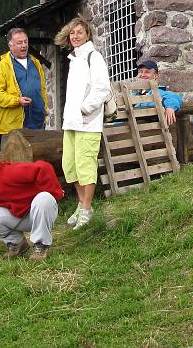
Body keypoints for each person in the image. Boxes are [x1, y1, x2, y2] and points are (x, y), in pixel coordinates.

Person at [55, 16, 111, 230]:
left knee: (86, 165)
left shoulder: (93, 57)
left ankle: (87, 209)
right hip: (71, 123)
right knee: (71, 166)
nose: (75, 36)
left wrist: (85, 108)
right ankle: (82, 204)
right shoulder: (75, 59)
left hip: (87, 122)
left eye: (79, 32)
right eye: (72, 33)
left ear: (88, 34)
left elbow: (102, 87)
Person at [0, 27, 48, 136]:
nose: (24, 45)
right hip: (13, 127)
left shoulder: (36, 63)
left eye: (25, 42)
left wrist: (44, 108)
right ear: (10, 45)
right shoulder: (1, 67)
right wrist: (17, 100)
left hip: (37, 123)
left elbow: (43, 90)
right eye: (19, 43)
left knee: (38, 153)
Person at [136, 60, 183, 126]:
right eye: (141, 72)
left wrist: (170, 107)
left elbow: (174, 97)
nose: (143, 75)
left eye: (147, 72)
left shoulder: (157, 92)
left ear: (155, 76)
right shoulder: (133, 95)